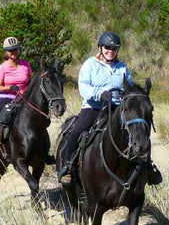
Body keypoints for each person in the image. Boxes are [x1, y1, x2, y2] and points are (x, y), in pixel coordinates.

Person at [57, 31, 162, 186]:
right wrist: (99, 94)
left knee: (139, 130)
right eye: (107, 47)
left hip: (117, 107)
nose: (110, 51)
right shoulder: (90, 65)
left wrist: (127, 93)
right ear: (100, 47)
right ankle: (68, 166)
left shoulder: (122, 67)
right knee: (77, 131)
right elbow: (83, 87)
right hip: (94, 107)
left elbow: (130, 86)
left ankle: (148, 166)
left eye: (114, 48)